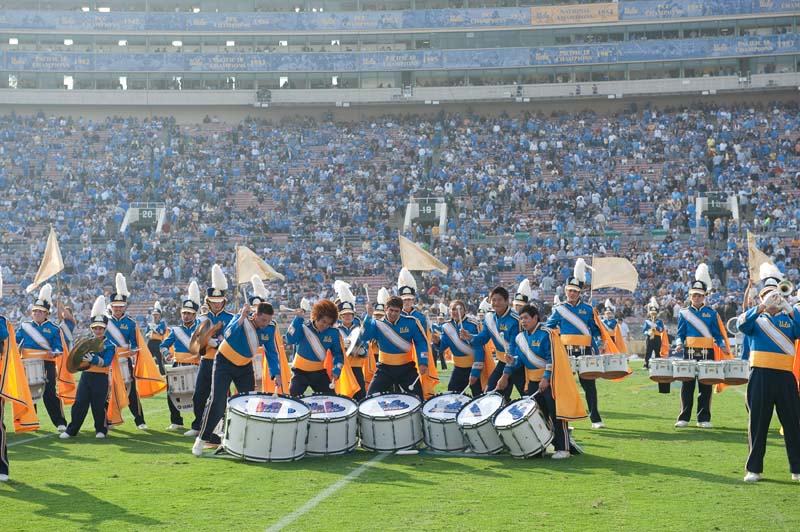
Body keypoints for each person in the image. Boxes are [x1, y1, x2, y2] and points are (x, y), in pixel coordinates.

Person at [192, 297, 282, 456]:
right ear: (255, 315)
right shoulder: (241, 319)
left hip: (245, 366)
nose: (265, 324)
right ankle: (201, 439)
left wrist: (276, 373)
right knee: (217, 401)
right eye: (263, 320)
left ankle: (245, 440)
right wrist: (241, 318)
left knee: (249, 402)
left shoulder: (270, 328)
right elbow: (227, 334)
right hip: (224, 362)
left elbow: (271, 352)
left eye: (268, 320)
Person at [737, 264, 800, 483]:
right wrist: (762, 306)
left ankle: (797, 468)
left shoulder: (790, 319)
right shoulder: (756, 320)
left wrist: (790, 308)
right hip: (760, 375)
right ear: (762, 297)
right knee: (758, 423)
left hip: (784, 377)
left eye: (776, 295)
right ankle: (754, 468)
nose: (774, 299)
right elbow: (740, 324)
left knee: (793, 423)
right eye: (768, 295)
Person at [503, 304, 586, 459]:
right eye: (521, 318)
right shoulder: (520, 338)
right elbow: (520, 361)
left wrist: (546, 378)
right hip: (533, 381)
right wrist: (512, 360)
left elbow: (552, 358)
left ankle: (564, 448)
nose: (523, 321)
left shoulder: (547, 333)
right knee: (538, 416)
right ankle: (541, 446)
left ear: (535, 318)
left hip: (550, 381)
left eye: (526, 318)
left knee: (556, 414)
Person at [546, 258, 613, 429]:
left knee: (589, 386)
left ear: (580, 292)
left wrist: (600, 333)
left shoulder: (589, 309)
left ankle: (595, 419)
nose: (572, 294)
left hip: (585, 352)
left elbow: (595, 329)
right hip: (565, 352)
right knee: (564, 387)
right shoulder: (559, 309)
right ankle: (565, 420)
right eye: (570, 291)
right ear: (566, 291)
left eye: (575, 291)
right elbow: (549, 327)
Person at [674, 263, 730, 428]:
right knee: (687, 386)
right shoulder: (684, 313)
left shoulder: (712, 313)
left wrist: (723, 346)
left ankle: (703, 418)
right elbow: (680, 333)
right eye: (694, 295)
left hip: (707, 353)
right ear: (690, 296)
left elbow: (717, 335)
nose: (697, 298)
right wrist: (678, 344)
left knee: (706, 386)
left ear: (704, 296)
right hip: (689, 353)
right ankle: (684, 417)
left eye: (699, 295)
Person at [185, 265, 233, 438]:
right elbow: (195, 339)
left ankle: (221, 426)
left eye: (219, 301)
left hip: (223, 361)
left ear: (223, 301)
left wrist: (217, 342)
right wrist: (205, 340)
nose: (216, 303)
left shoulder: (230, 318)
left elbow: (231, 339)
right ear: (208, 302)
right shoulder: (202, 318)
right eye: (213, 301)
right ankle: (197, 425)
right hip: (206, 360)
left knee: (221, 397)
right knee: (199, 395)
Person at [60, 296, 116, 440]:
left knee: (98, 405)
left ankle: (101, 430)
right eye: (95, 328)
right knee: (79, 404)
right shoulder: (86, 341)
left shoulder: (110, 345)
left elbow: (107, 362)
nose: (97, 331)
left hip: (101, 378)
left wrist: (94, 359)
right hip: (86, 377)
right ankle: (72, 430)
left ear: (104, 329)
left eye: (100, 328)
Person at [16, 283, 68, 432]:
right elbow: (15, 341)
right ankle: (30, 422)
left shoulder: (53, 328)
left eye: (40, 311)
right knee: (29, 393)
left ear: (46, 313)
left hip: (46, 363)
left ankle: (60, 422)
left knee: (49, 393)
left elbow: (59, 347)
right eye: (35, 311)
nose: (37, 313)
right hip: (26, 363)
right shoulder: (25, 326)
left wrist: (54, 352)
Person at [462, 286, 523, 400]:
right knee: (490, 394)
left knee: (529, 397)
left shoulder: (515, 319)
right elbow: (483, 338)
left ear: (506, 301)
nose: (496, 303)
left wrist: (505, 376)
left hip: (519, 364)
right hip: (502, 361)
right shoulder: (489, 318)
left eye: (499, 300)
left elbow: (514, 349)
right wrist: (470, 337)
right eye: (493, 300)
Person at [362, 295, 428, 399]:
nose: (393, 313)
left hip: (406, 368)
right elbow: (365, 337)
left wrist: (423, 362)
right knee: (370, 398)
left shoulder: (411, 322)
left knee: (418, 398)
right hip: (384, 369)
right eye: (391, 310)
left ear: (401, 311)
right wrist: (368, 317)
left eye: (396, 311)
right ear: (385, 309)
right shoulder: (377, 324)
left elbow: (420, 342)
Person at [106, 273, 148, 430]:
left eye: (120, 306)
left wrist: (133, 351)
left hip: (125, 362)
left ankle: (139, 420)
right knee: (108, 392)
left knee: (131, 392)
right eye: (115, 306)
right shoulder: (104, 322)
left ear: (124, 307)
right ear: (111, 307)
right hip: (108, 362)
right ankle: (110, 420)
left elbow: (135, 344)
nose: (117, 309)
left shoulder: (131, 323)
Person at [160, 282, 201, 433]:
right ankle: (176, 421)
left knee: (197, 395)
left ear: (194, 314)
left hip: (195, 365)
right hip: (178, 364)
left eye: (189, 313)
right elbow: (163, 345)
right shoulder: (176, 330)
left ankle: (197, 423)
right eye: (184, 313)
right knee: (172, 392)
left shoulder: (200, 328)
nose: (186, 315)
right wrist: (166, 354)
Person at [287, 299, 345, 397]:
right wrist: (297, 319)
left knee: (330, 399)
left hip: (319, 373)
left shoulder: (333, 333)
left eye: (328, 323)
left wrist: (337, 369)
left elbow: (338, 354)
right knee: (293, 399)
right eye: (323, 321)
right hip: (299, 372)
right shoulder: (304, 327)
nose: (325, 325)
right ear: (316, 317)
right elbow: (290, 339)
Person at [433, 300, 484, 397]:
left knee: (478, 396)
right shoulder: (446, 326)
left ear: (465, 310)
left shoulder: (473, 324)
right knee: (452, 394)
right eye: (453, 309)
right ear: (449, 311)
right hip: (458, 367)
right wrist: (437, 342)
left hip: (473, 365)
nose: (455, 312)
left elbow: (479, 349)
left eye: (459, 309)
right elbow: (443, 346)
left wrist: (475, 372)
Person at [334, 280, 367, 401]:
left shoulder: (360, 329)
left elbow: (365, 352)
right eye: (344, 315)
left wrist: (360, 350)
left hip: (356, 366)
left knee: (361, 395)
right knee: (343, 396)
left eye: (349, 314)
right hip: (342, 366)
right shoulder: (336, 330)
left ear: (353, 316)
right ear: (340, 317)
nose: (347, 317)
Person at [642, 298, 665, 370]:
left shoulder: (659, 321)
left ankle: (658, 365)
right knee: (648, 351)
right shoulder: (647, 321)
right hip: (649, 337)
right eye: (652, 313)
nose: (653, 314)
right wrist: (649, 332)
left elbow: (662, 329)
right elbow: (644, 330)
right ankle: (646, 364)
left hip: (657, 337)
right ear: (649, 313)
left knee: (657, 351)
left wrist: (656, 327)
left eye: (655, 313)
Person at [145, 302, 167, 375]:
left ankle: (162, 372)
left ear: (159, 315)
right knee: (148, 357)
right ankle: (149, 371)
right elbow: (146, 333)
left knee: (159, 359)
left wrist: (155, 328)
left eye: (156, 315)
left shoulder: (162, 323)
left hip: (158, 342)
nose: (155, 316)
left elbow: (162, 332)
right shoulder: (149, 324)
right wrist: (148, 333)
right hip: (150, 342)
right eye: (154, 315)